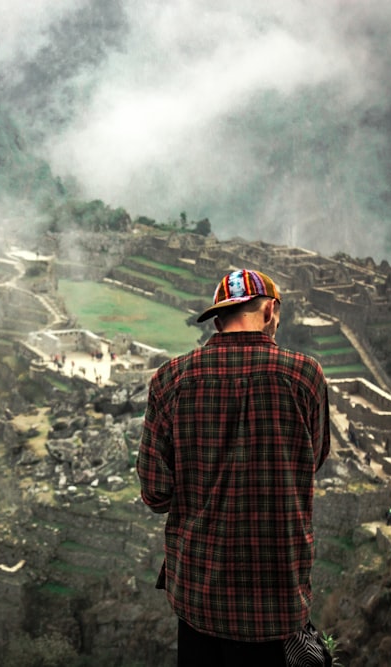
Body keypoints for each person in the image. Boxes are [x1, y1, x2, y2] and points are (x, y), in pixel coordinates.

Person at [137, 269, 331, 667]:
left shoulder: (170, 379)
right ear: (271, 310)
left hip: (198, 592)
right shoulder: (304, 375)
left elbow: (155, 493)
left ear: (218, 318)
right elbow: (313, 459)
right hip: (276, 594)